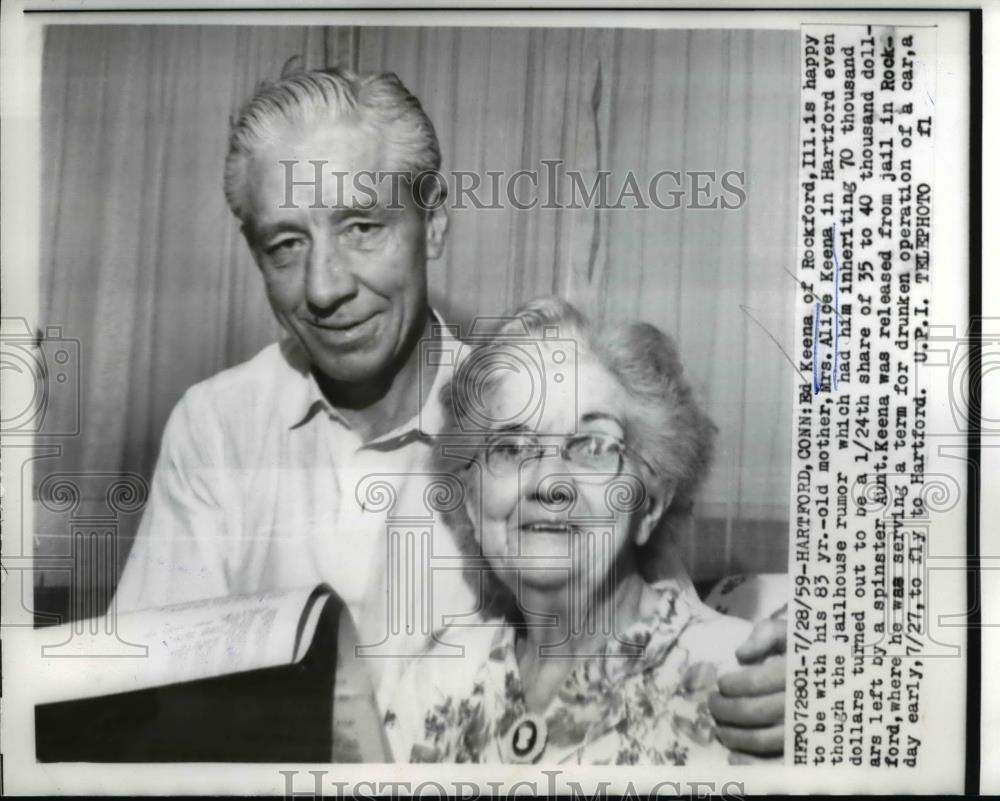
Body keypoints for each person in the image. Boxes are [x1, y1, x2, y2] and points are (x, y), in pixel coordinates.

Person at [111, 66, 785, 757]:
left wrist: (781, 688)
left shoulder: (528, 407)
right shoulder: (217, 425)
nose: (324, 287)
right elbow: (137, 690)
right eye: (287, 245)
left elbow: (663, 640)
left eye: (362, 226)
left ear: (432, 222)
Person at [385, 297, 769, 764]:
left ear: (648, 504)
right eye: (510, 447)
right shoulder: (437, 683)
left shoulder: (746, 681)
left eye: (591, 447)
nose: (549, 482)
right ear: (471, 498)